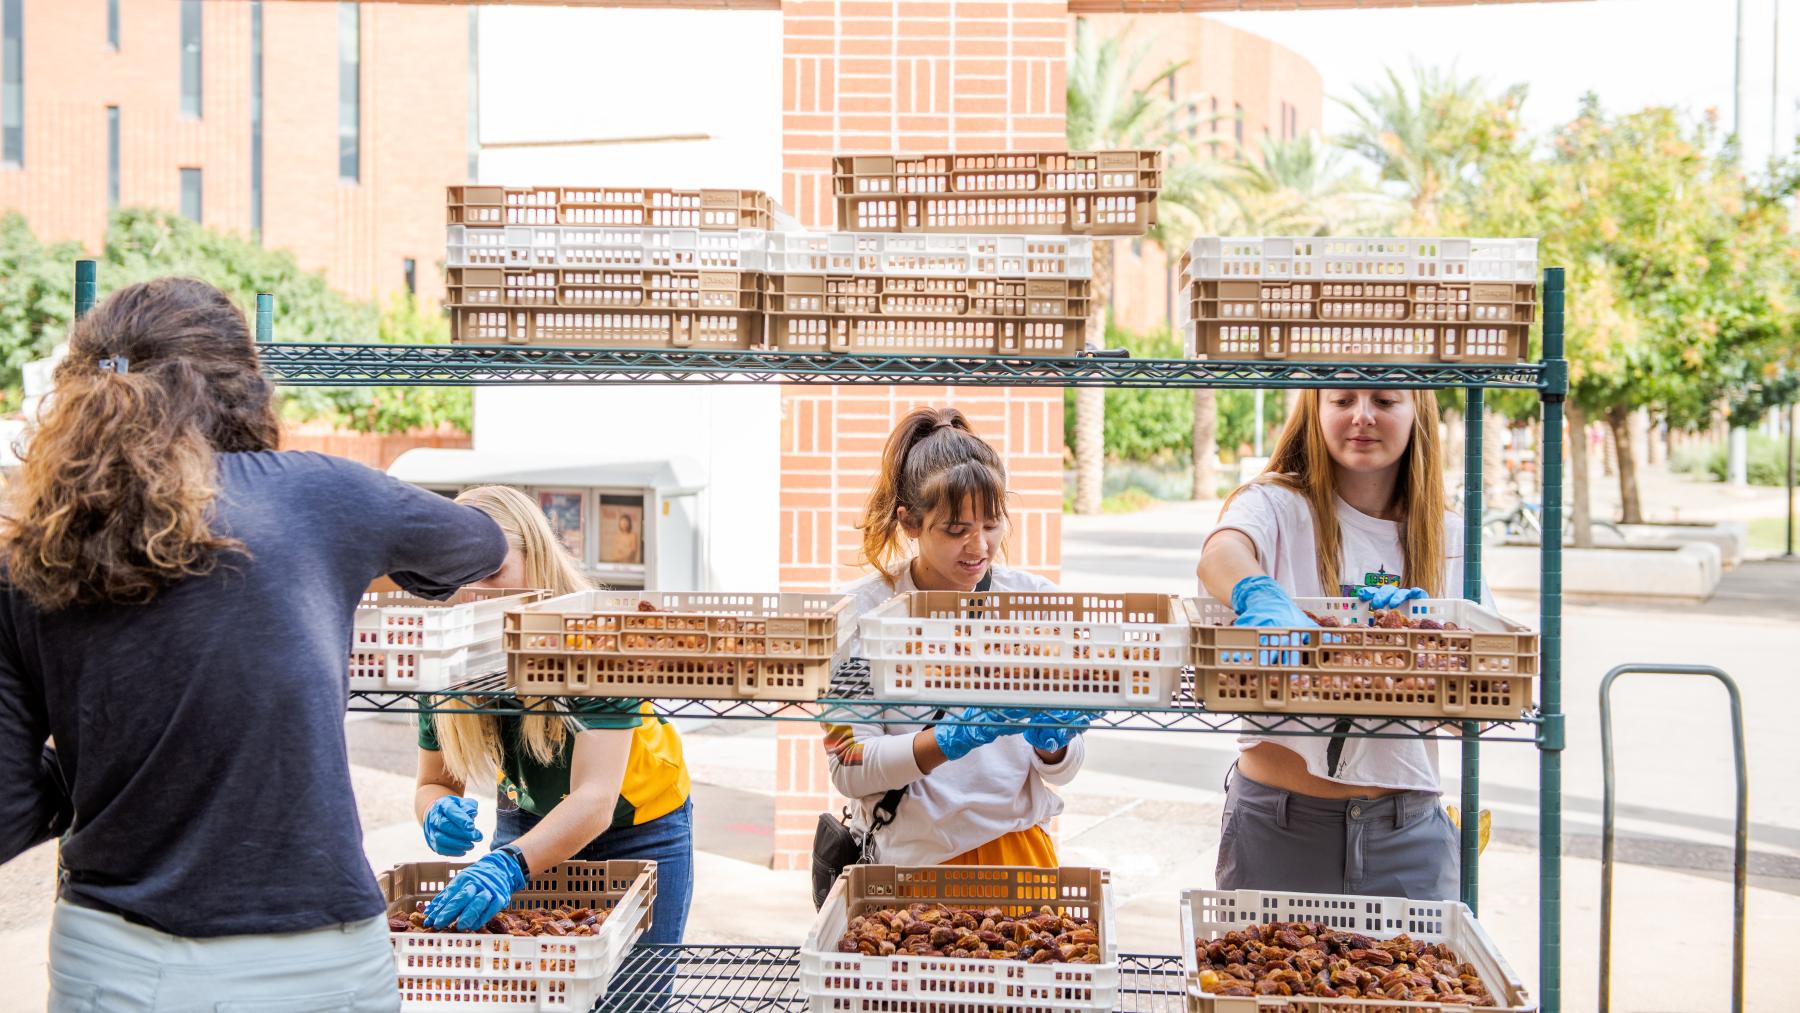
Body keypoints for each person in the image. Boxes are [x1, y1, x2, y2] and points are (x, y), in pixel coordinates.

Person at [0, 278, 507, 1011]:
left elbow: (10, 810)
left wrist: (105, 745)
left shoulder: (28, 555)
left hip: (118, 966)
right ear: (245, 385)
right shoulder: (323, 494)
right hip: (319, 967)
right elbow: (480, 544)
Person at [1197, 388, 1489, 901]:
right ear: (1315, 409)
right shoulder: (1274, 503)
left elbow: (1477, 715)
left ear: (1417, 412)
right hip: (1279, 825)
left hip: (1409, 835)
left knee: (1415, 982)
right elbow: (1223, 551)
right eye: (1342, 400)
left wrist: (1436, 647)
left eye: (1384, 400)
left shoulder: (1449, 537)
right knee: (1262, 980)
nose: (1362, 417)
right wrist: (1257, 591)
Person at [413, 486, 694, 944]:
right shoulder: (444, 655)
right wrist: (434, 810)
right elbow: (434, 782)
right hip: (527, 816)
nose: (474, 593)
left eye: (492, 572)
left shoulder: (598, 637)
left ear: (536, 556)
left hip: (638, 827)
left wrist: (507, 865)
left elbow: (595, 800)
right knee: (531, 989)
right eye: (458, 577)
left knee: (634, 995)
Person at [822, 407, 1093, 872]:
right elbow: (847, 763)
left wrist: (1055, 742)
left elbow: (1064, 770)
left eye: (991, 525)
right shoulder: (859, 614)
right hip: (908, 866)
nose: (979, 547)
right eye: (956, 530)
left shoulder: (1034, 602)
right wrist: (947, 740)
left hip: (1019, 856)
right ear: (909, 523)